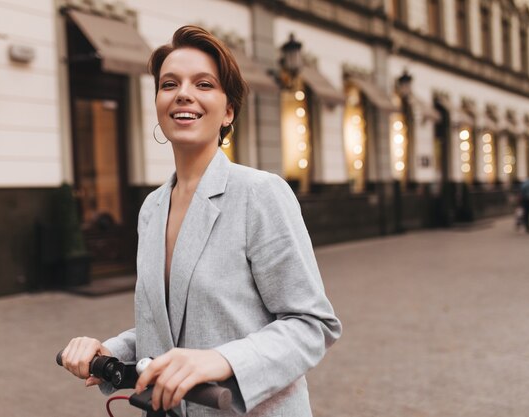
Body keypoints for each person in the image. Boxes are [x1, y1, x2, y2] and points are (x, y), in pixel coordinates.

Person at [60, 25, 342, 416]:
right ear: (159, 102)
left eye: (204, 84)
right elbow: (167, 328)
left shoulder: (259, 193)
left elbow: (312, 324)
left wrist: (222, 361)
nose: (183, 94)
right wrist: (110, 351)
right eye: (169, 84)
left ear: (228, 111)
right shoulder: (152, 208)